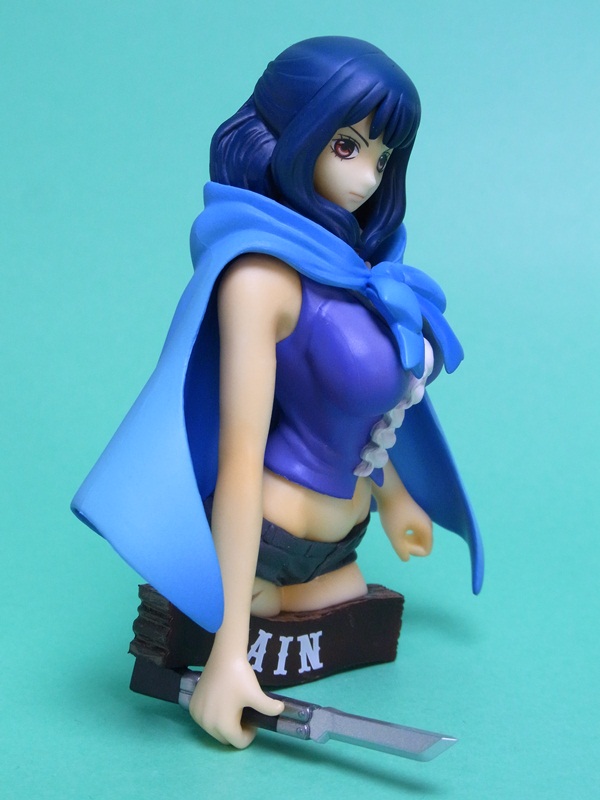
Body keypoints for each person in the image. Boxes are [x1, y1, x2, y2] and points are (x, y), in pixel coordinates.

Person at [72, 36, 483, 749]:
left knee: (341, 602)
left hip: (340, 551)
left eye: (383, 157)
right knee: (248, 606)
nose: (368, 177)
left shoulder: (359, 273)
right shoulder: (261, 281)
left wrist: (395, 500)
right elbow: (240, 460)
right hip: (269, 542)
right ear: (297, 134)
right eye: (349, 146)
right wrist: (229, 651)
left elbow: (361, 415)